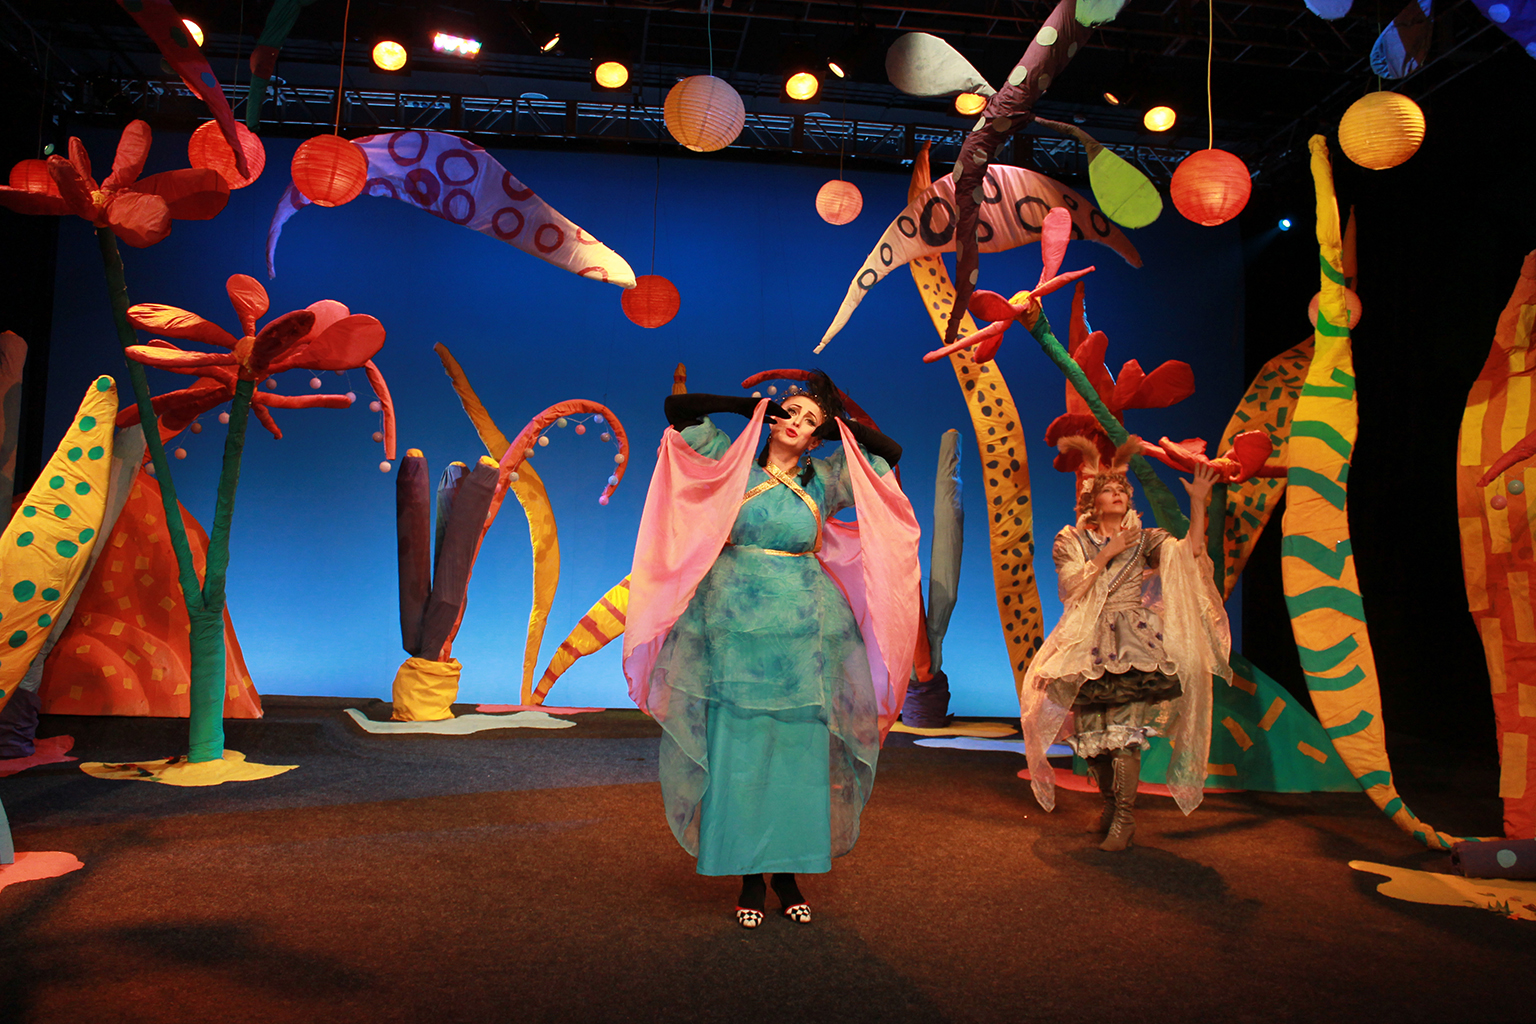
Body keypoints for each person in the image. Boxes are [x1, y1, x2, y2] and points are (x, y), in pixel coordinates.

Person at [622, 371, 918, 927]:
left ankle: (788, 873)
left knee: (797, 756)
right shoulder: (732, 462)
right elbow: (677, 410)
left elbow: (890, 453)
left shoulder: (826, 480)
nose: (795, 422)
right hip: (731, 627)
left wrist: (837, 424)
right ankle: (748, 877)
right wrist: (749, 408)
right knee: (738, 752)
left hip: (805, 633)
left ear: (817, 437)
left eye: (809, 420)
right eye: (790, 411)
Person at [1019, 435, 1230, 852]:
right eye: (1108, 490)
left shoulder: (1145, 540)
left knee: (1123, 736)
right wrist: (1107, 553)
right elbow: (1070, 588)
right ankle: (1111, 806)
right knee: (1093, 739)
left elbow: (1190, 552)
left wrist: (1198, 503)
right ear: (1092, 502)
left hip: (1133, 644)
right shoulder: (1072, 540)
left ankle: (1125, 819)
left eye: (1122, 489)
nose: (1117, 494)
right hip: (1088, 643)